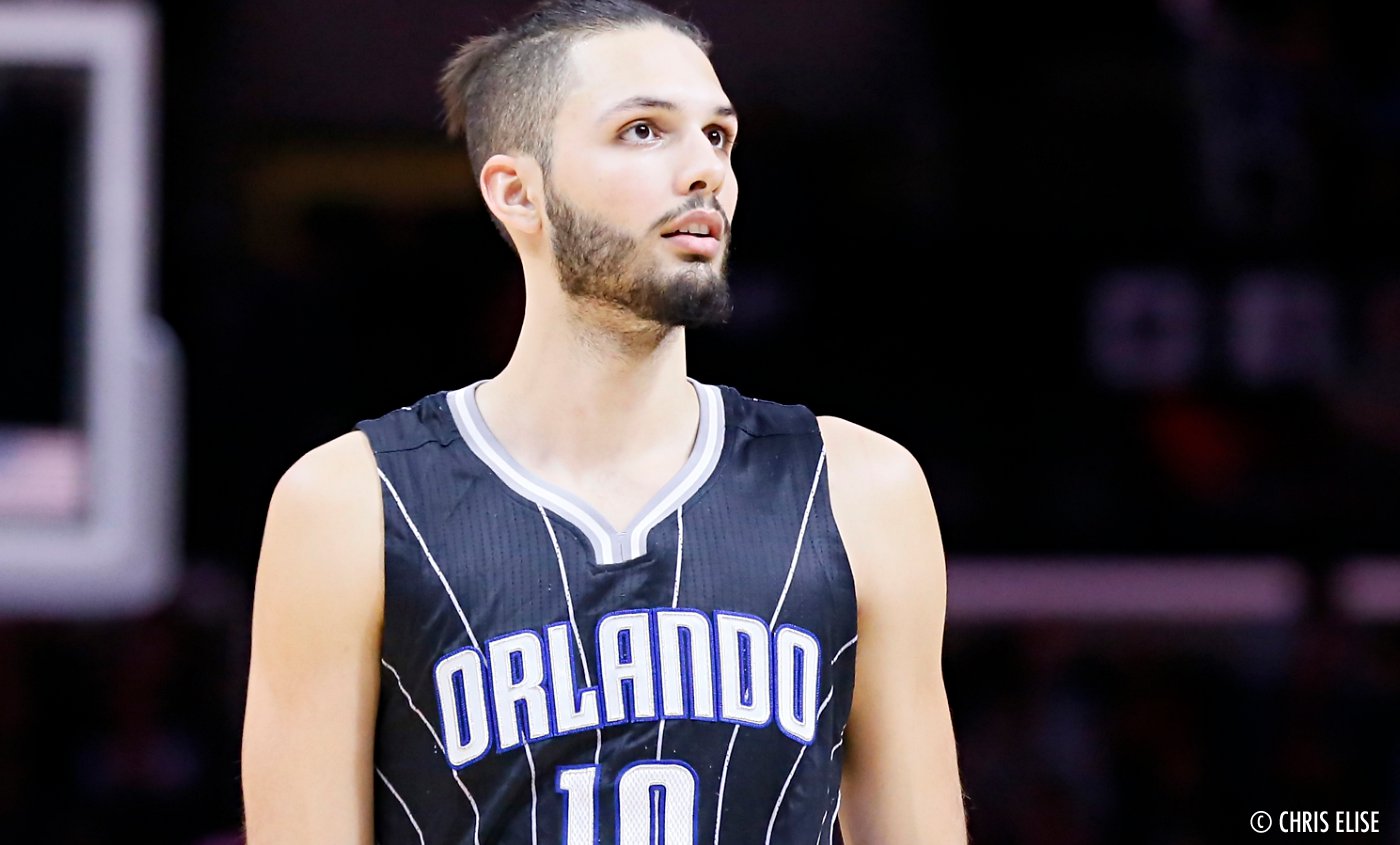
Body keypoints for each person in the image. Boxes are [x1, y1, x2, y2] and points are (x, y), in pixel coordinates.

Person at [240, 1, 968, 842]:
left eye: (718, 137)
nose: (704, 170)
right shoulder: (347, 504)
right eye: (644, 131)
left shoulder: (862, 489)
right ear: (518, 192)